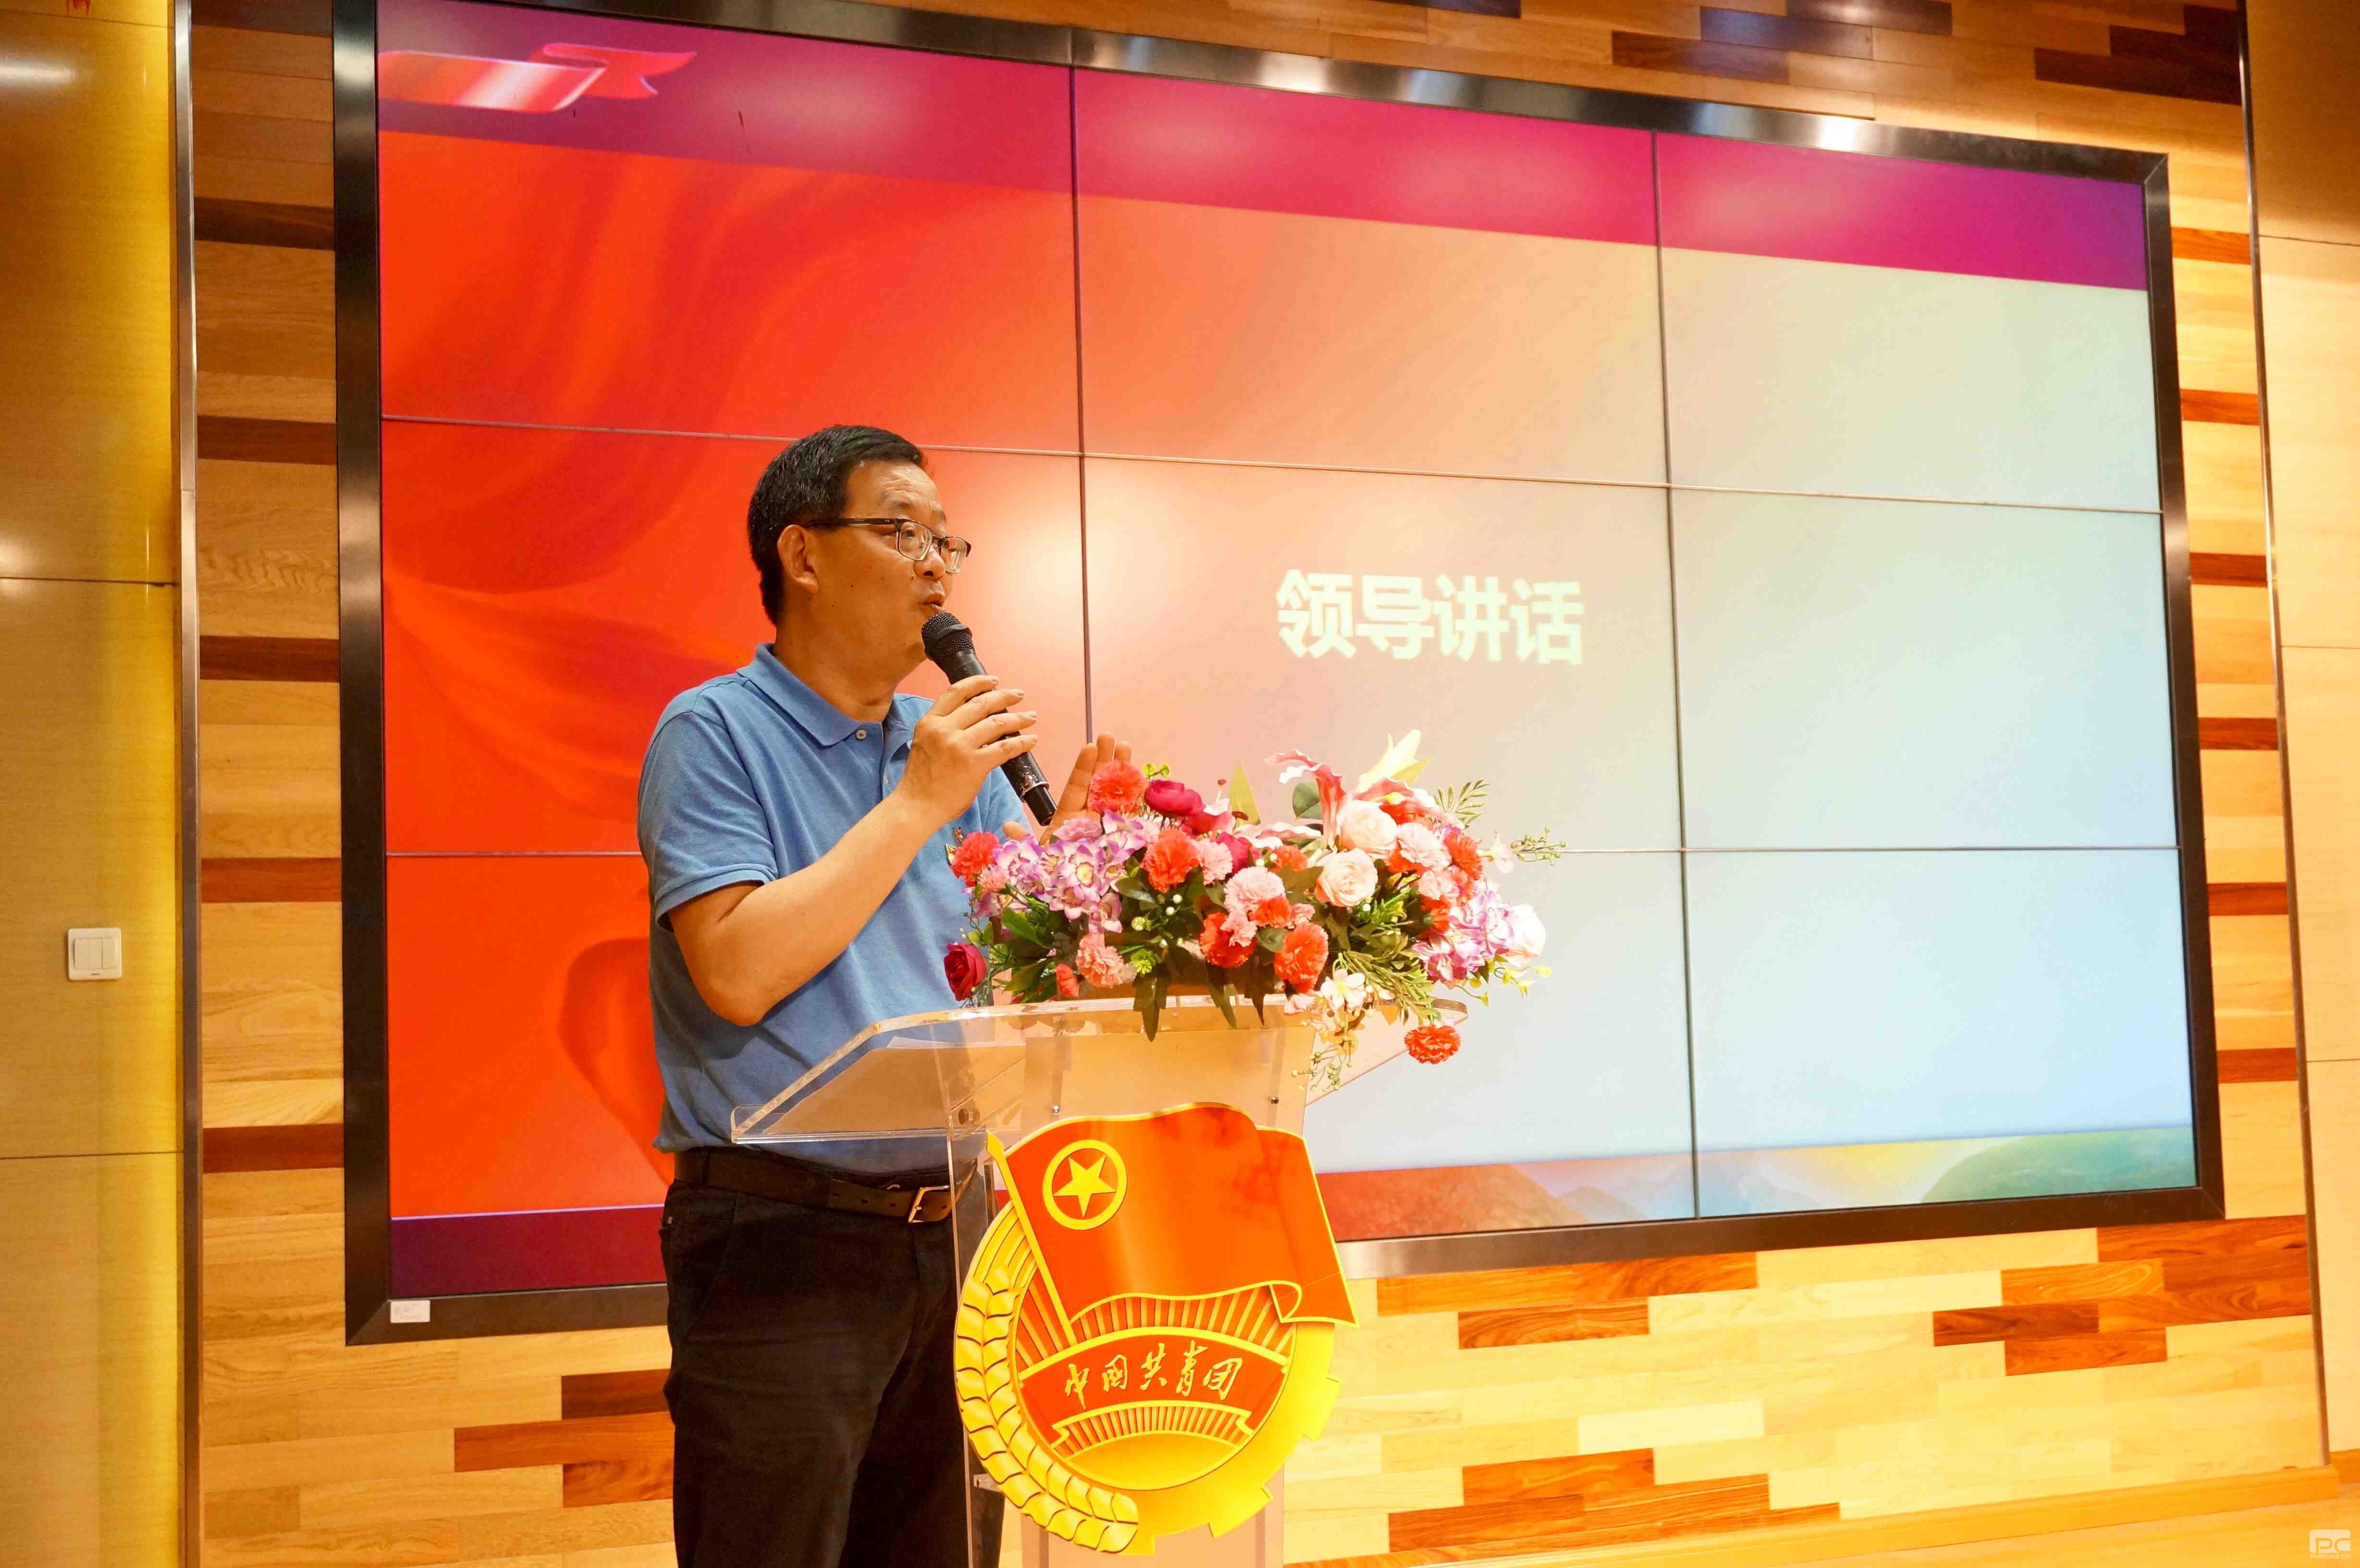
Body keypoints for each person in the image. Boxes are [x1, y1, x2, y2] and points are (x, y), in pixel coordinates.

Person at [637, 424, 1125, 1568]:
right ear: (801, 554)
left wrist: (1072, 870)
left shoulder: (944, 747)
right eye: (901, 533)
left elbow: (1011, 976)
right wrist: (916, 803)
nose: (935, 566)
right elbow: (736, 970)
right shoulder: (713, 731)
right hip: (781, 1240)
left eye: (946, 541)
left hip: (958, 1234)